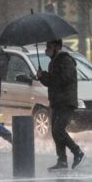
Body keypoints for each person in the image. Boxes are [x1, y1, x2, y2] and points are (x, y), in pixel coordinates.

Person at [37, 39, 85, 171]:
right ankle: (62, 160)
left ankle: (77, 152)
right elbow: (52, 82)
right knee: (55, 131)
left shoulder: (65, 60)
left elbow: (63, 80)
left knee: (58, 129)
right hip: (57, 101)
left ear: (57, 47)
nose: (47, 49)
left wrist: (47, 76)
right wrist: (42, 77)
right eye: (46, 46)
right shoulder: (55, 61)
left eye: (49, 46)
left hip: (66, 101)